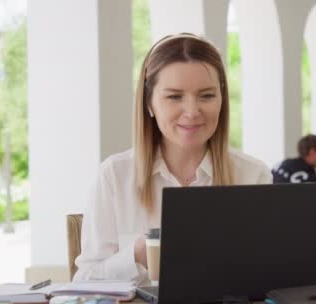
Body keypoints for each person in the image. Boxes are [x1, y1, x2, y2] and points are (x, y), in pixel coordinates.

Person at [73, 33, 272, 284]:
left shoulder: (254, 176)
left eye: (207, 95)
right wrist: (136, 255)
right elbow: (84, 281)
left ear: (222, 100)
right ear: (149, 103)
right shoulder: (115, 175)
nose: (192, 112)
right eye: (174, 96)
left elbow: (266, 279)